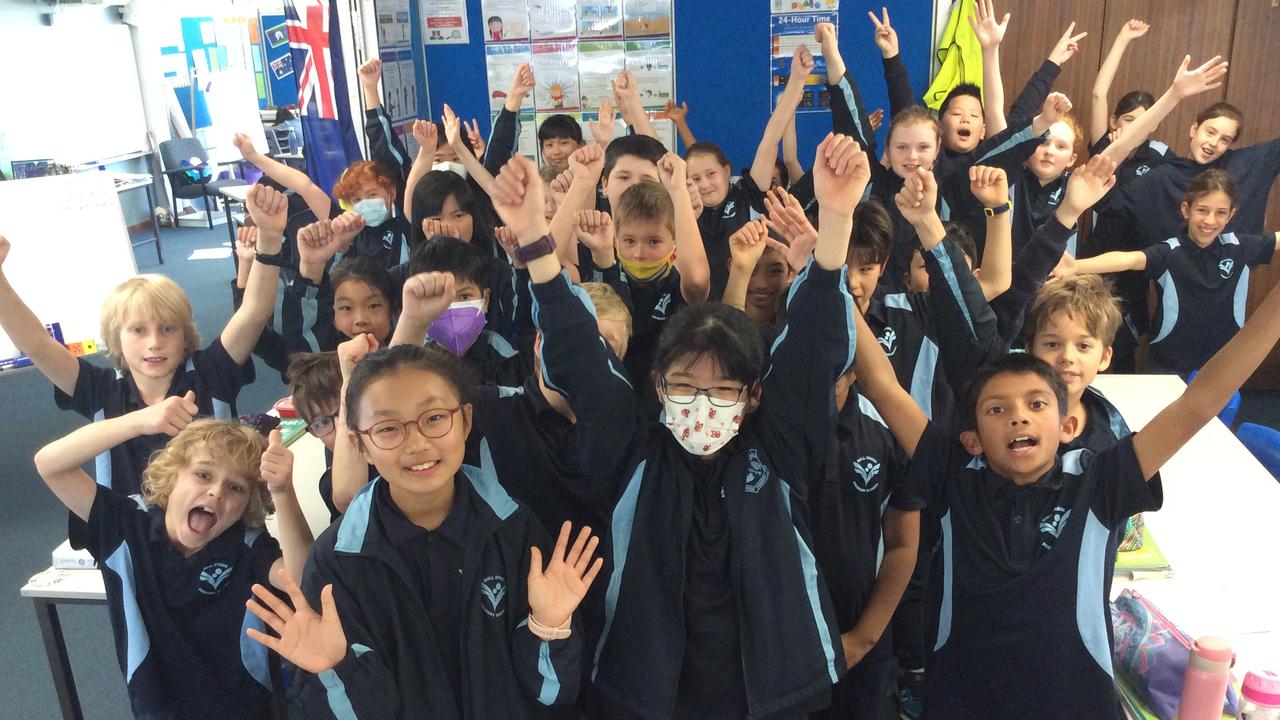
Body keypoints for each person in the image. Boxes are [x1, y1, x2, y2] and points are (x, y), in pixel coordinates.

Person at [490, 133, 864, 717]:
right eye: (686, 387)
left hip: (778, 691)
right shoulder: (631, 449)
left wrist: (836, 220)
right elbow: (580, 358)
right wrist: (538, 243)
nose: (702, 405)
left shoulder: (780, 449)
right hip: (648, 694)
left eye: (722, 391)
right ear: (658, 387)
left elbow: (813, 352)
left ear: (752, 396)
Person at [848, 250, 1280, 716]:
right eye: (997, 409)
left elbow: (1198, 403)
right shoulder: (954, 472)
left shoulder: (1100, 482)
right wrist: (830, 266)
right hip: (963, 698)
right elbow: (882, 385)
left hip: (1075, 701)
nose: (1017, 416)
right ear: (970, 438)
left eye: (1036, 404)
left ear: (1067, 428)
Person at [245, 340, 603, 718]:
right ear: (359, 445)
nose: (416, 443)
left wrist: (550, 626)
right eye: (387, 428)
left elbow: (552, 694)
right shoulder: (339, 563)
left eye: (434, 418)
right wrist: (336, 669)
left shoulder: (516, 532)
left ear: (465, 421)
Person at [0, 186, 288, 497]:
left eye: (167, 329)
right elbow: (37, 346)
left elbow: (254, 312)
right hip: (136, 532)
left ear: (185, 335)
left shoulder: (211, 371)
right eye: (138, 330)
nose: (154, 343)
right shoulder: (101, 389)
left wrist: (269, 238)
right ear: (116, 338)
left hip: (216, 520)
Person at [33, 417, 313, 718]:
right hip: (158, 710)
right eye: (203, 475)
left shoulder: (246, 544)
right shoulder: (127, 528)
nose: (217, 492)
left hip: (246, 711)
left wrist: (283, 493)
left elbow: (302, 581)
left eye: (236, 488)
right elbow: (50, 464)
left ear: (247, 505)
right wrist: (138, 424)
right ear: (172, 474)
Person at [1057, 169, 1278, 375]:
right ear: (1186, 210)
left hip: (1225, 362)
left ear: (1231, 215)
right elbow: (1129, 259)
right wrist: (1076, 267)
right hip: (1169, 363)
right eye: (1202, 210)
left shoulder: (1240, 247)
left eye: (1220, 213)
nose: (1210, 220)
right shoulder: (1169, 252)